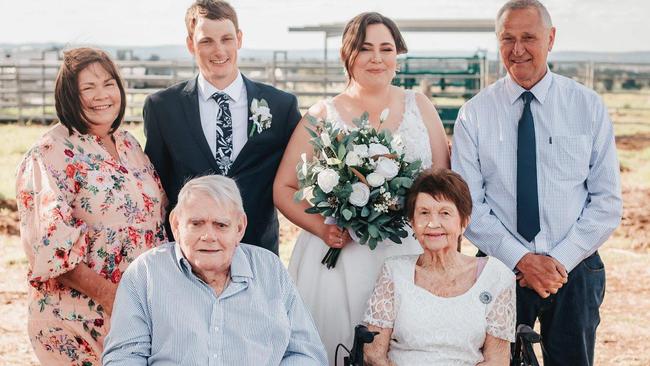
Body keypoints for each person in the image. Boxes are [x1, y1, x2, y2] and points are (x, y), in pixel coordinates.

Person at [451, 1, 622, 365]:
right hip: (500, 268)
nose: (518, 49)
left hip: (575, 269)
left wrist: (556, 262)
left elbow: (606, 202)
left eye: (528, 37)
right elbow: (469, 207)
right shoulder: (474, 114)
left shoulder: (588, 107)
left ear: (551, 38)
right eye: (507, 39)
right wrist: (521, 260)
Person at [274, 12, 450, 364]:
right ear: (348, 55)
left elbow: (443, 184)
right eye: (365, 48)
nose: (377, 57)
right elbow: (284, 186)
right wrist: (323, 228)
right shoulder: (323, 114)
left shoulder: (421, 106)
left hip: (410, 253)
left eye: (386, 48)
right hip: (342, 259)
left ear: (397, 56)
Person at [15, 47, 167, 365]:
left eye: (109, 84)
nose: (102, 95)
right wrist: (114, 298)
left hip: (136, 313)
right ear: (70, 95)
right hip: (77, 320)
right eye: (88, 87)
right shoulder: (49, 152)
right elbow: (54, 250)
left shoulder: (129, 144)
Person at [102, 175, 327, 365]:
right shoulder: (146, 273)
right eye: (196, 223)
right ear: (176, 225)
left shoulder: (270, 270)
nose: (209, 236)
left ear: (240, 228)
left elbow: (306, 353)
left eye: (221, 225)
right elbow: (124, 357)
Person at [143, 0, 301, 254]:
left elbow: (299, 178)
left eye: (226, 39)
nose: (219, 51)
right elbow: (157, 189)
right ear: (190, 44)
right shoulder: (162, 108)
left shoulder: (281, 106)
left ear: (239, 39)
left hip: (257, 250)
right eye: (207, 41)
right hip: (189, 253)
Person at [363, 169, 515, 365]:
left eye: (445, 213)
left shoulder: (496, 276)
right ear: (412, 222)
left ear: (464, 222)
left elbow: (497, 361)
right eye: (424, 213)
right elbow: (374, 354)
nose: (433, 223)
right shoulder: (393, 272)